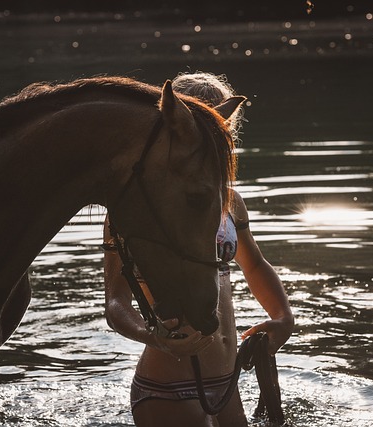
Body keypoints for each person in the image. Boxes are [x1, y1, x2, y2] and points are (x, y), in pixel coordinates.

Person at [103, 72, 294, 427]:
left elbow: (254, 264)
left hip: (226, 382)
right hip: (167, 384)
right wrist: (156, 338)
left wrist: (283, 317)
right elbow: (116, 304)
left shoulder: (230, 202)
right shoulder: (130, 214)